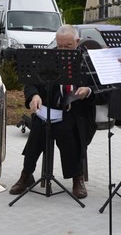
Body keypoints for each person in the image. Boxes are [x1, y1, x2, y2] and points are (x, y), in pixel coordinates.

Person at [9, 25, 96, 200]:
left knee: (66, 130)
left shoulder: (88, 60)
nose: (62, 51)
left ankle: (77, 177)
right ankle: (26, 174)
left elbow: (102, 87)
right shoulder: (48, 58)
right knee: (39, 130)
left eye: (68, 46)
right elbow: (31, 82)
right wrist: (34, 96)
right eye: (60, 46)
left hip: (77, 112)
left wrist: (88, 90)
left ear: (77, 42)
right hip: (50, 110)